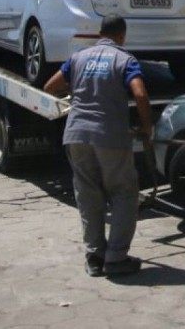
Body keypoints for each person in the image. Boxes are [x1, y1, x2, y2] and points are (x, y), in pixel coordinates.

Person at [43, 16, 152, 278]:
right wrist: (147, 128)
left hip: (76, 134)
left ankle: (94, 257)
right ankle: (115, 258)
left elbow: (50, 86)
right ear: (122, 36)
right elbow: (139, 93)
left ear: (99, 32)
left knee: (88, 196)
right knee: (124, 193)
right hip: (110, 137)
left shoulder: (79, 57)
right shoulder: (125, 60)